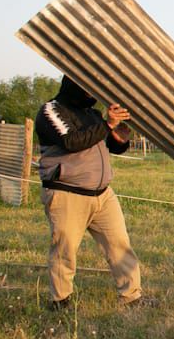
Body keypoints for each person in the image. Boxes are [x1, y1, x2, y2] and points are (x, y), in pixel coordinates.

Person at [35, 76, 149, 310]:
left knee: (119, 244)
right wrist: (107, 125)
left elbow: (109, 145)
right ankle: (61, 300)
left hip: (102, 195)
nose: (91, 94)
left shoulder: (93, 115)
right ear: (73, 85)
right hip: (67, 193)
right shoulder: (51, 110)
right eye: (86, 88)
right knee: (64, 249)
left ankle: (132, 296)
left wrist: (120, 139)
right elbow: (71, 141)